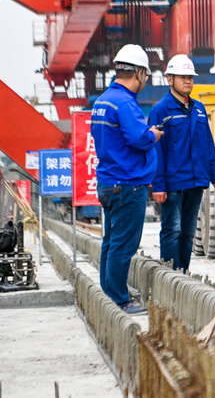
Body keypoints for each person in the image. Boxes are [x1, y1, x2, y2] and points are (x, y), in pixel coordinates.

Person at [91, 44, 162, 315]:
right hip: (127, 185)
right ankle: (121, 301)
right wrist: (153, 134)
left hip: (109, 182)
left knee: (111, 242)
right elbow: (138, 139)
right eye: (145, 76)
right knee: (124, 245)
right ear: (140, 73)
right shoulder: (125, 103)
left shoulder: (103, 100)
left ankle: (109, 296)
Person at [149, 54, 215, 272]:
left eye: (190, 77)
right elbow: (156, 151)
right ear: (169, 79)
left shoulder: (199, 108)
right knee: (172, 229)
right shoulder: (160, 110)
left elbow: (207, 144)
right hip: (173, 183)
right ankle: (170, 277)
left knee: (189, 232)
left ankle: (183, 273)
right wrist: (159, 185)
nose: (188, 81)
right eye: (182, 77)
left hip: (196, 181)